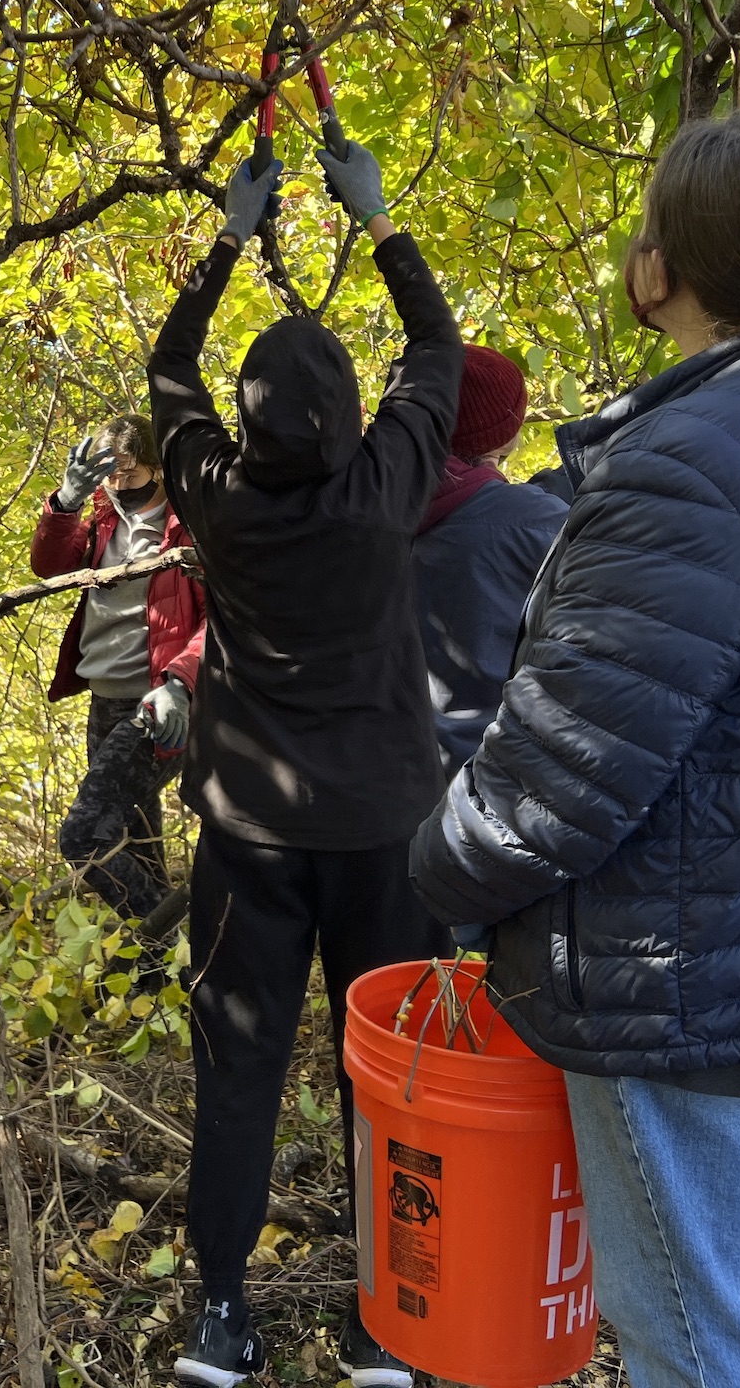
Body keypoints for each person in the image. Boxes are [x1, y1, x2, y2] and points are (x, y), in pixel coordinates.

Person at [411, 115, 740, 1388]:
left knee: (699, 1336)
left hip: (687, 983)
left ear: (660, 270)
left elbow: (565, 772)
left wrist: (441, 868)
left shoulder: (688, 463)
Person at [148, 144, 461, 1388]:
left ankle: (221, 1320)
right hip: (387, 832)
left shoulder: (219, 497)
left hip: (249, 839)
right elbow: (436, 355)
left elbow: (171, 372)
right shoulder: (387, 485)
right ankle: (390, 1324)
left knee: (239, 1072)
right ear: (348, 421)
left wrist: (229, 240)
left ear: (253, 425)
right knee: (387, 1081)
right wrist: (377, 220)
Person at [30, 414, 205, 923]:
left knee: (87, 834)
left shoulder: (186, 524)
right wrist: (66, 501)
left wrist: (181, 683)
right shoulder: (103, 520)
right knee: (133, 837)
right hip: (104, 699)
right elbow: (49, 566)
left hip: (158, 704)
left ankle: (171, 947)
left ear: (156, 466)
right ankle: (162, 985)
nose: (118, 485)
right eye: (109, 475)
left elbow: (224, 620)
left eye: (129, 474)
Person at [412, 343, 568, 778]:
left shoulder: (369, 506)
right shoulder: (538, 524)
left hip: (392, 781)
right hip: (499, 780)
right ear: (504, 434)